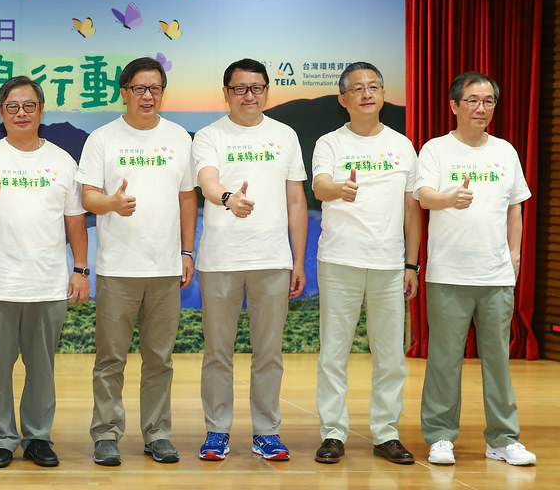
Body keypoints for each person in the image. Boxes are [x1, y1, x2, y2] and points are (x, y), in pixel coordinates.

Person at [0, 76, 89, 469]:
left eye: (29, 105)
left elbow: (75, 221)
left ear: (41, 110)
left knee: (42, 371)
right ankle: (1, 439)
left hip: (47, 284)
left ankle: (37, 438)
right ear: (1, 112)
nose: (21, 113)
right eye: (13, 106)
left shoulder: (62, 161)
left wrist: (80, 269)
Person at [78, 57, 196, 466]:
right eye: (139, 88)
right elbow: (88, 197)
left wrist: (187, 251)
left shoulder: (178, 137)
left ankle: (158, 433)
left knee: (159, 359)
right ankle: (106, 433)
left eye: (155, 88)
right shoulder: (103, 139)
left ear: (163, 92)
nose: (148, 96)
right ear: (124, 92)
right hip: (118, 268)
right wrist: (111, 203)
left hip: (165, 268)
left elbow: (187, 198)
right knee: (110, 358)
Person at [416, 72, 536, 466]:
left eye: (488, 101)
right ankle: (440, 436)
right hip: (448, 273)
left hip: (496, 275)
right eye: (472, 100)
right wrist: (449, 198)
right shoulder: (435, 149)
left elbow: (515, 208)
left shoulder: (505, 151)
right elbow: (424, 197)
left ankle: (503, 439)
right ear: (454, 105)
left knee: (498, 361)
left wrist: (514, 257)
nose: (480, 108)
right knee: (444, 360)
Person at [192, 58, 308, 461]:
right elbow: (206, 181)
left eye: (256, 88)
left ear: (266, 91)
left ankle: (266, 432)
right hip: (220, 261)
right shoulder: (209, 136)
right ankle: (217, 431)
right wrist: (227, 197)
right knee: (218, 352)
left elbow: (296, 200)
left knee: (269, 352)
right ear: (226, 93)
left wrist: (297, 261)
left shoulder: (285, 135)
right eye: (240, 88)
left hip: (272, 259)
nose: (249, 96)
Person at [311, 62, 420, 465]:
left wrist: (411, 265)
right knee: (333, 353)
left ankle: (386, 433)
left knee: (390, 355)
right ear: (343, 99)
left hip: (389, 265)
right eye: (357, 88)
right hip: (339, 260)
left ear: (383, 95)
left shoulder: (402, 145)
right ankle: (333, 433)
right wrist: (340, 189)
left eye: (373, 86)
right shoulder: (330, 143)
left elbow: (412, 210)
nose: (367, 93)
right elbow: (319, 186)